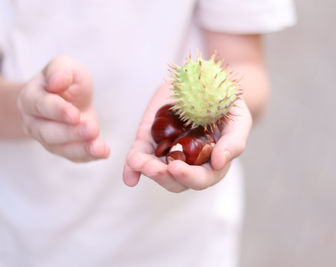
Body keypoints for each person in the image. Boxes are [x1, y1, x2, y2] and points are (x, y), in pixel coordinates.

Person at [0, 0, 295, 266]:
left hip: (183, 241)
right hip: (31, 235)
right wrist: (29, 109)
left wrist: (233, 107)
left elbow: (245, 67)